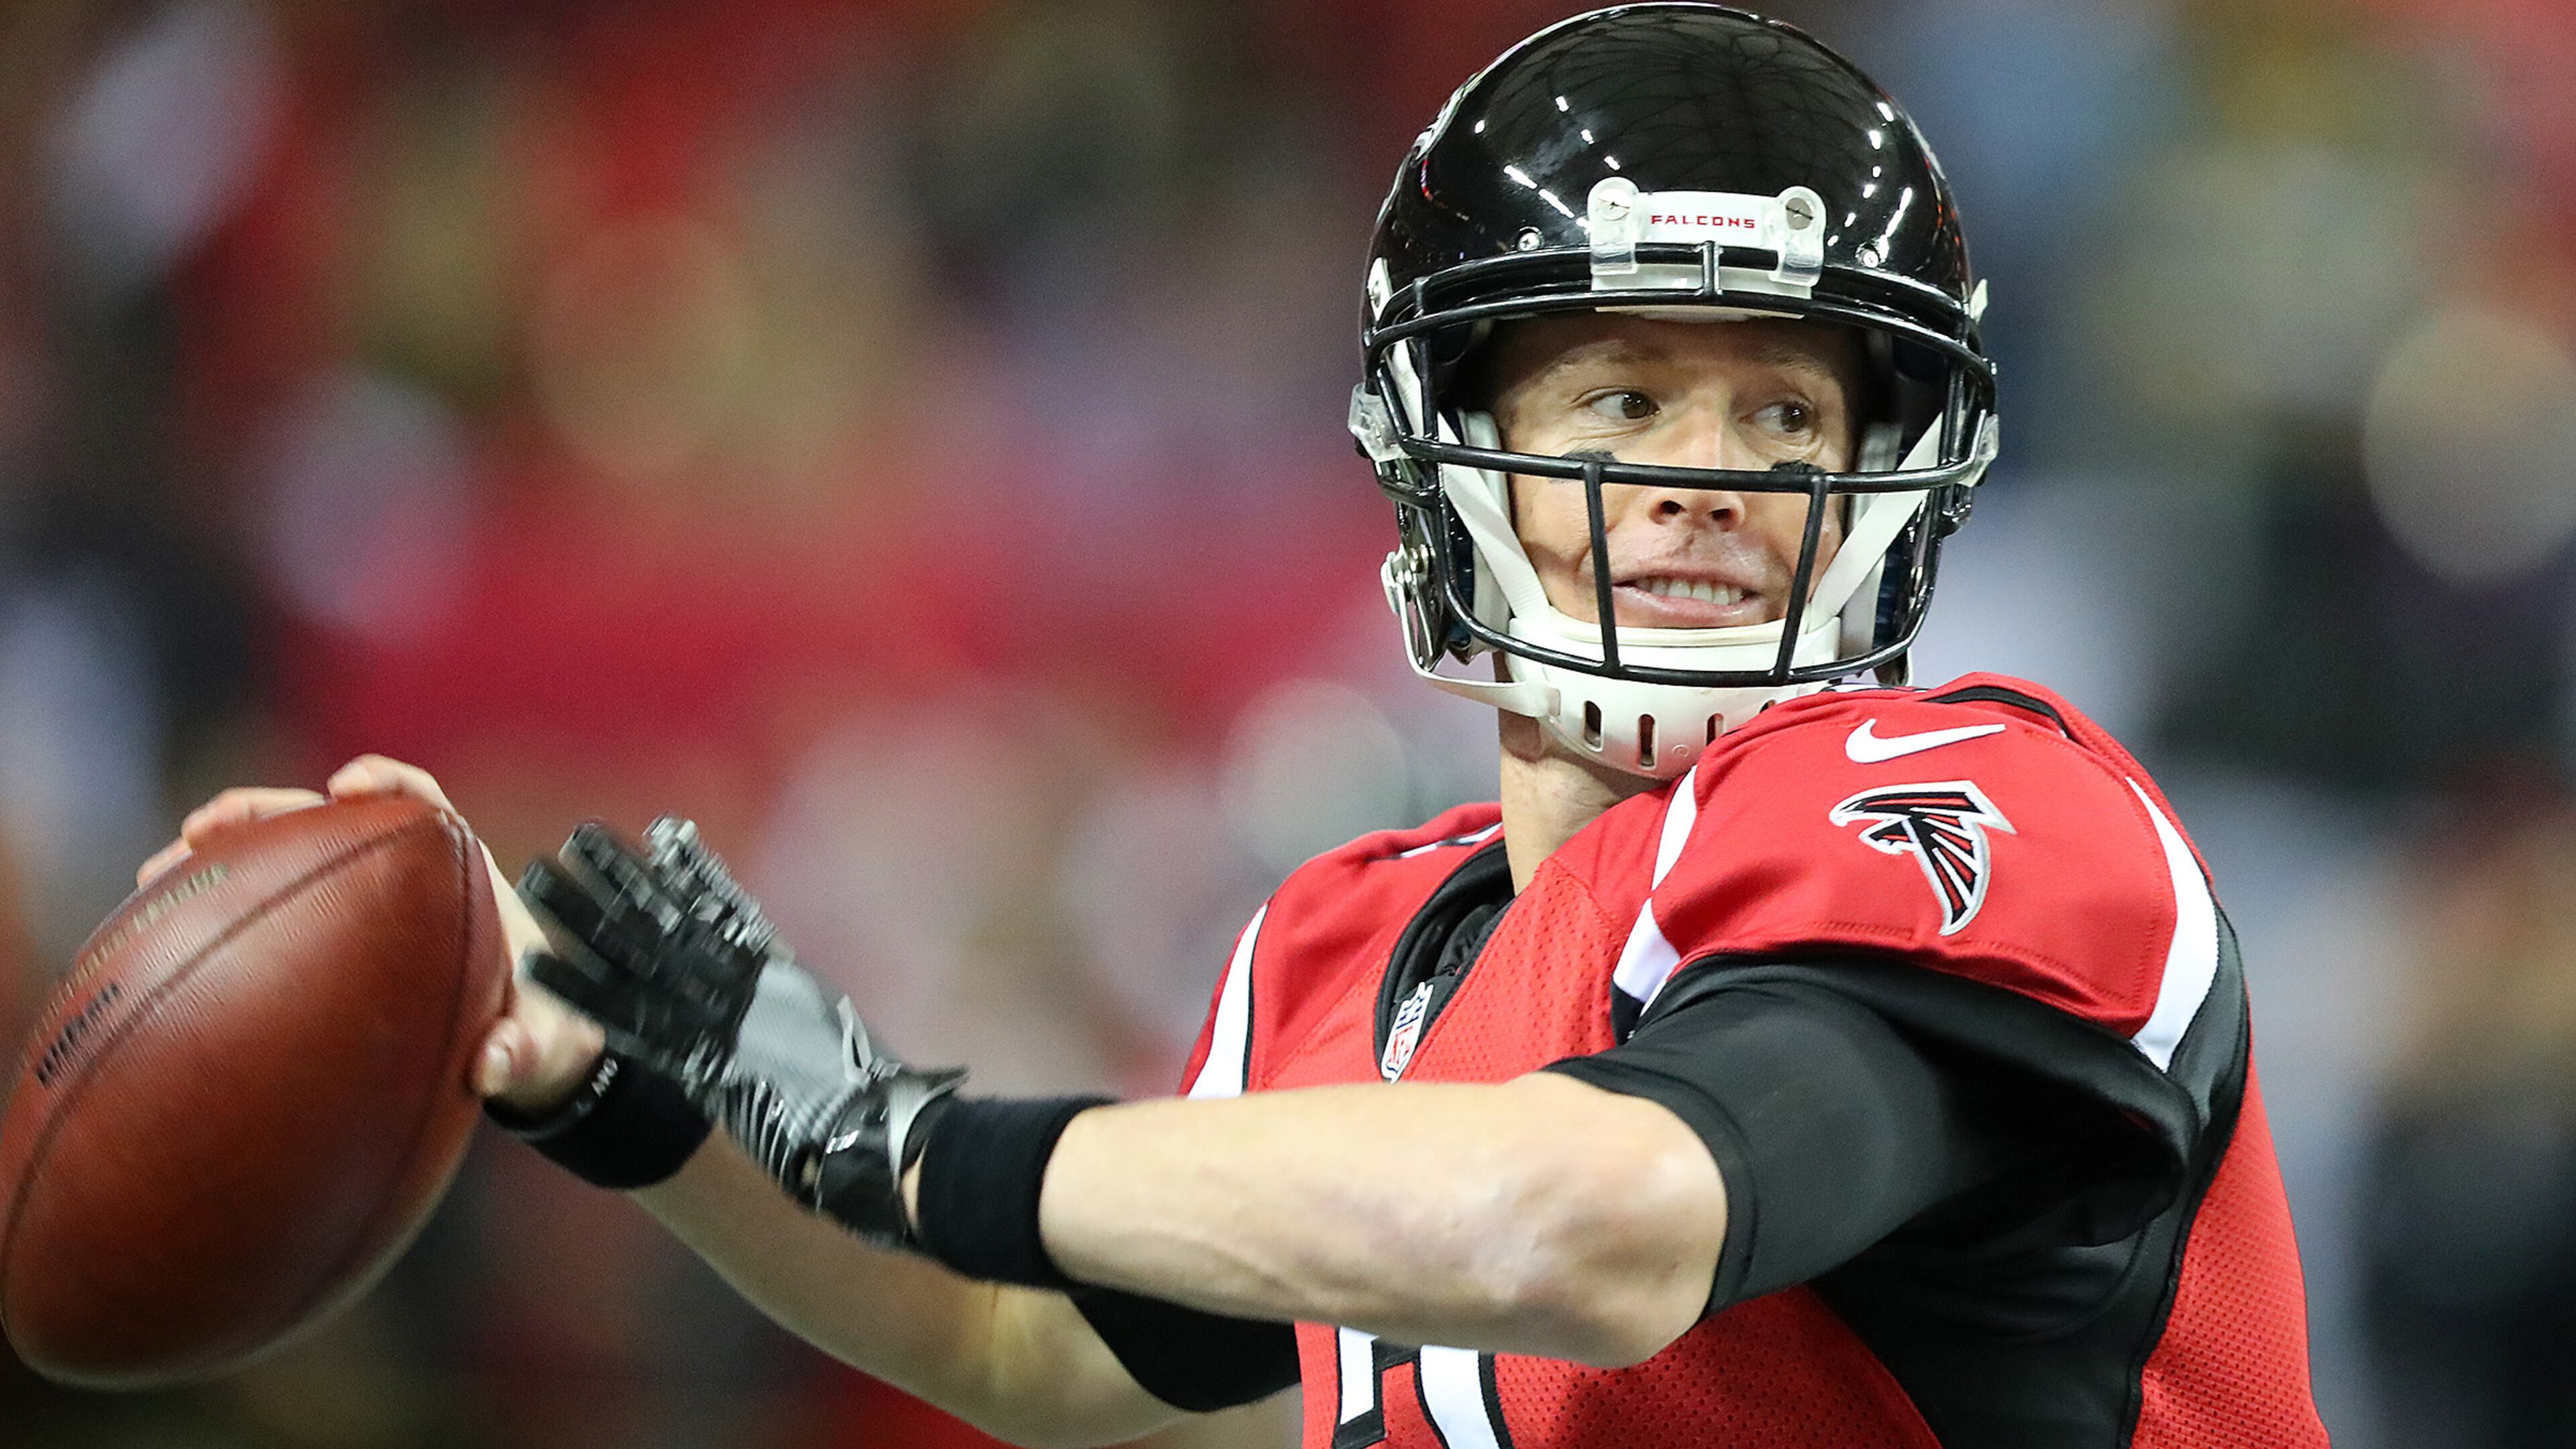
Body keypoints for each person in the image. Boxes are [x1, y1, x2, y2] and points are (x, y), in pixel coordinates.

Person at [147, 7, 2330, 1445]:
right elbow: (1036, 1336)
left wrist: (908, 1127)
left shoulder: (1994, 806)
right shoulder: (1352, 947)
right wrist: (656, 1100)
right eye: (1625, 398)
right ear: (1449, 456)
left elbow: (1604, 1224)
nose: (1705, 477)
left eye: (1783, 409)